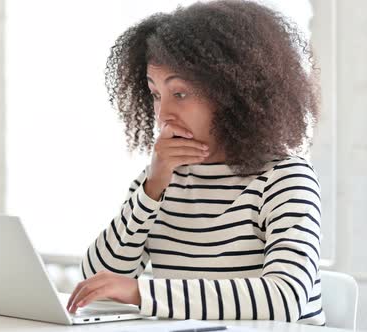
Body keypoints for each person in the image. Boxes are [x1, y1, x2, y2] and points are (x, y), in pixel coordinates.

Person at [66, 0, 324, 325]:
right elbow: (98, 282)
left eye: (180, 94)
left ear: (231, 94)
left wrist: (142, 293)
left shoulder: (285, 179)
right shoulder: (160, 180)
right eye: (156, 94)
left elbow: (284, 299)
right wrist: (151, 190)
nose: (162, 115)